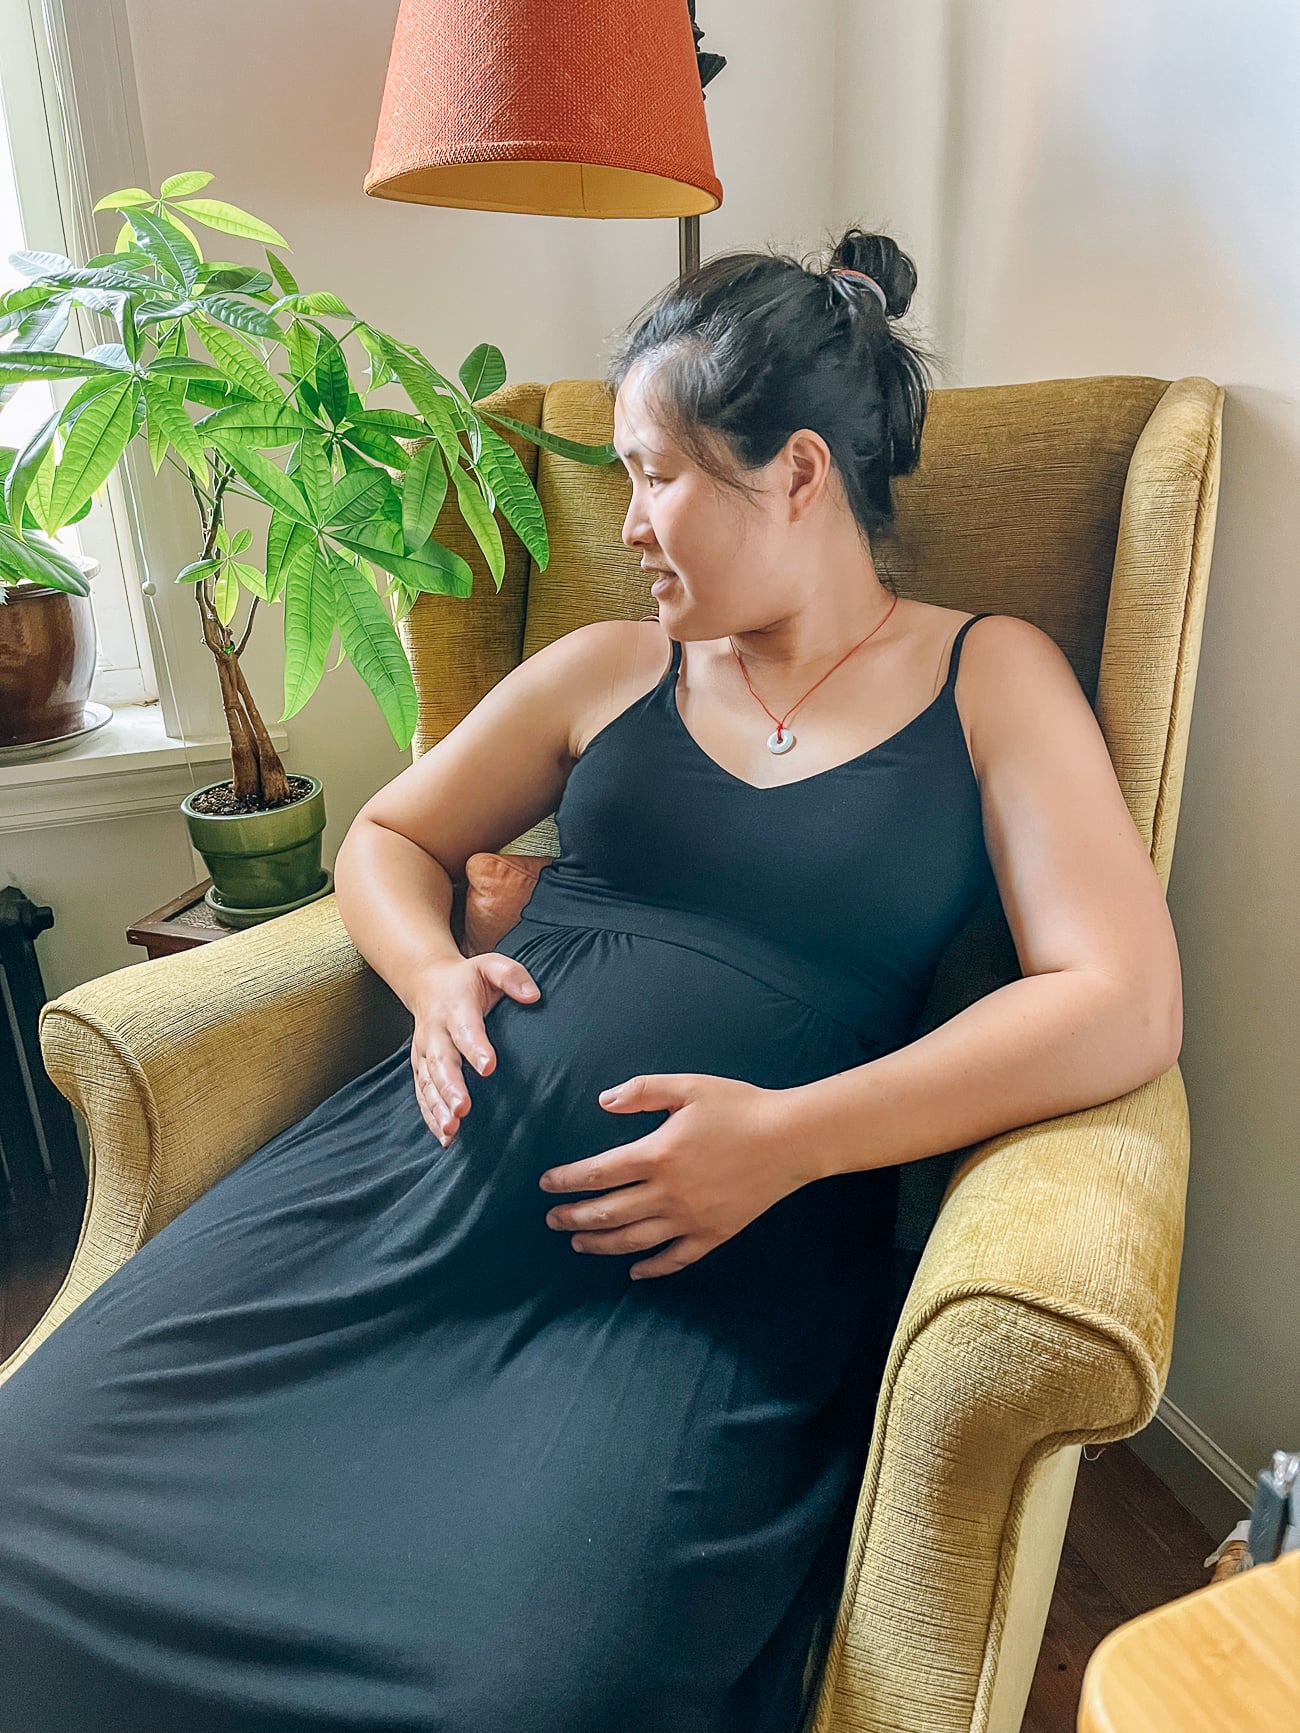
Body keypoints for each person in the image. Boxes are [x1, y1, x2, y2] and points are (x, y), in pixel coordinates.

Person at [0, 228, 1182, 1733]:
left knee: (528, 1693)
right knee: (24, 1491)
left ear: (801, 473)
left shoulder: (990, 674)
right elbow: (389, 833)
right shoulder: (610, 670)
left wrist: (791, 1136)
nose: (624, 525)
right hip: (404, 1205)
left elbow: (1123, 994)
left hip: (697, 1286)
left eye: (656, 474)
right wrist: (432, 979)